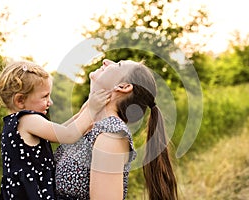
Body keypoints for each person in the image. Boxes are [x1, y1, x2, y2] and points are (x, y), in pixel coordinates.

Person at [0, 61, 111, 200]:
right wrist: (91, 111)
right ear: (20, 100)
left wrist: (85, 110)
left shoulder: (17, 122)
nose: (50, 102)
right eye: (44, 96)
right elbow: (67, 134)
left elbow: (61, 130)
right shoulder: (27, 120)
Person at [54, 59, 178, 200]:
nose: (106, 61)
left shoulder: (111, 134)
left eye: (118, 65)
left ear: (123, 87)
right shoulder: (87, 125)